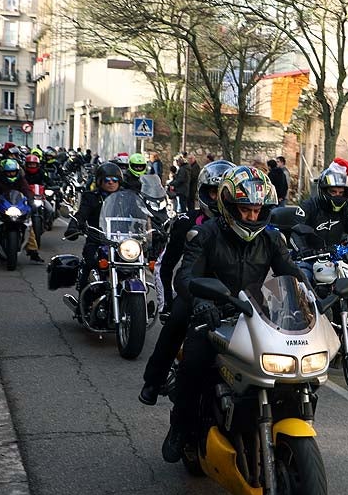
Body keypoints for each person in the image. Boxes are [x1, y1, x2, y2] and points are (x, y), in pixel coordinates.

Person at [139, 166, 305, 463]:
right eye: (245, 209)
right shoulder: (205, 234)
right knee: (195, 363)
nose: (252, 217)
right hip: (212, 312)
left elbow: (291, 276)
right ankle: (180, 427)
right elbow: (185, 276)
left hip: (254, 314)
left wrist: (311, 301)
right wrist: (202, 301)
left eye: (258, 210)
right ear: (229, 207)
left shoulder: (271, 239)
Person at [155, 159, 235, 317]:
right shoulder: (186, 223)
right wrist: (167, 304)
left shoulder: (248, 224)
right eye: (214, 192)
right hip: (193, 295)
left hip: (235, 299)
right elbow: (164, 265)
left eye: (224, 193)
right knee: (171, 333)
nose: (219, 199)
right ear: (204, 192)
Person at [64, 163, 124, 289]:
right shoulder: (91, 197)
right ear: (99, 181)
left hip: (122, 242)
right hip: (97, 240)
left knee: (134, 265)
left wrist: (154, 229)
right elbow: (81, 214)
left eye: (115, 180)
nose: (111, 183)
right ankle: (84, 296)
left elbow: (139, 214)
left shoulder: (124, 198)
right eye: (107, 180)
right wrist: (74, 226)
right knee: (90, 261)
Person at [0, 159, 43, 262]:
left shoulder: (21, 179)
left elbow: (26, 190)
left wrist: (31, 201)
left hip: (17, 205)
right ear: (4, 172)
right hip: (2, 204)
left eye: (13, 172)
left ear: (17, 171)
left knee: (28, 224)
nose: (11, 174)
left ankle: (33, 251)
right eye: (8, 172)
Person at [299, 166, 348, 247]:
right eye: (333, 192)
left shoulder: (346, 209)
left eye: (341, 192)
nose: (337, 195)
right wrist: (303, 250)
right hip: (310, 256)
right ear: (324, 191)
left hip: (336, 255)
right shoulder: (309, 206)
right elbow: (297, 234)